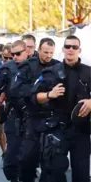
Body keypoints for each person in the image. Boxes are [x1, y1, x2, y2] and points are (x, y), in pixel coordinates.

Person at [31, 35, 91, 182]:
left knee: (82, 176)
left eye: (74, 47)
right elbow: (34, 96)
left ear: (79, 50)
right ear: (63, 49)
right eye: (68, 46)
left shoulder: (88, 72)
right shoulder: (50, 72)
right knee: (54, 173)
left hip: (81, 129)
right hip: (56, 129)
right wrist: (49, 94)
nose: (71, 50)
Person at [14, 38, 60, 182]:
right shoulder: (28, 66)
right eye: (45, 52)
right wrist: (35, 93)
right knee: (27, 158)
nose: (48, 55)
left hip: (52, 118)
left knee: (51, 160)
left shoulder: (59, 67)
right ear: (38, 50)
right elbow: (16, 89)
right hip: (32, 117)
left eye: (51, 53)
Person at [0, 40, 28, 182]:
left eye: (18, 54)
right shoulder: (6, 69)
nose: (15, 57)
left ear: (26, 52)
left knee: (29, 157)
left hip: (32, 116)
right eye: (13, 54)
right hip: (14, 114)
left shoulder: (36, 67)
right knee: (10, 161)